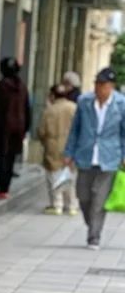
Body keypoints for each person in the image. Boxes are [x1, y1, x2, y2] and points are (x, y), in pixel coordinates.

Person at [63, 66, 125, 249]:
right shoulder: (84, 102)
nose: (99, 88)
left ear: (111, 86)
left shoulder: (121, 104)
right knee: (83, 197)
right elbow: (75, 130)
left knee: (99, 198)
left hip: (109, 158)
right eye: (97, 84)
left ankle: (94, 237)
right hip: (86, 156)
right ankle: (93, 225)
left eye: (103, 85)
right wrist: (68, 153)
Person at [0, 57, 32, 200]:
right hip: (18, 129)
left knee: (2, 158)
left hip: (3, 128)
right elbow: (27, 108)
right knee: (10, 158)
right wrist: (25, 128)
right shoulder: (22, 87)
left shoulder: (3, 85)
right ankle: (6, 189)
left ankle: (1, 189)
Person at [36, 84, 78, 216]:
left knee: (54, 176)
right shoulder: (74, 108)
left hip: (53, 147)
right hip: (72, 147)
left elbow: (41, 131)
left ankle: (57, 204)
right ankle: (71, 205)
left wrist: (45, 142)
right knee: (70, 176)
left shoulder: (49, 110)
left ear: (53, 96)